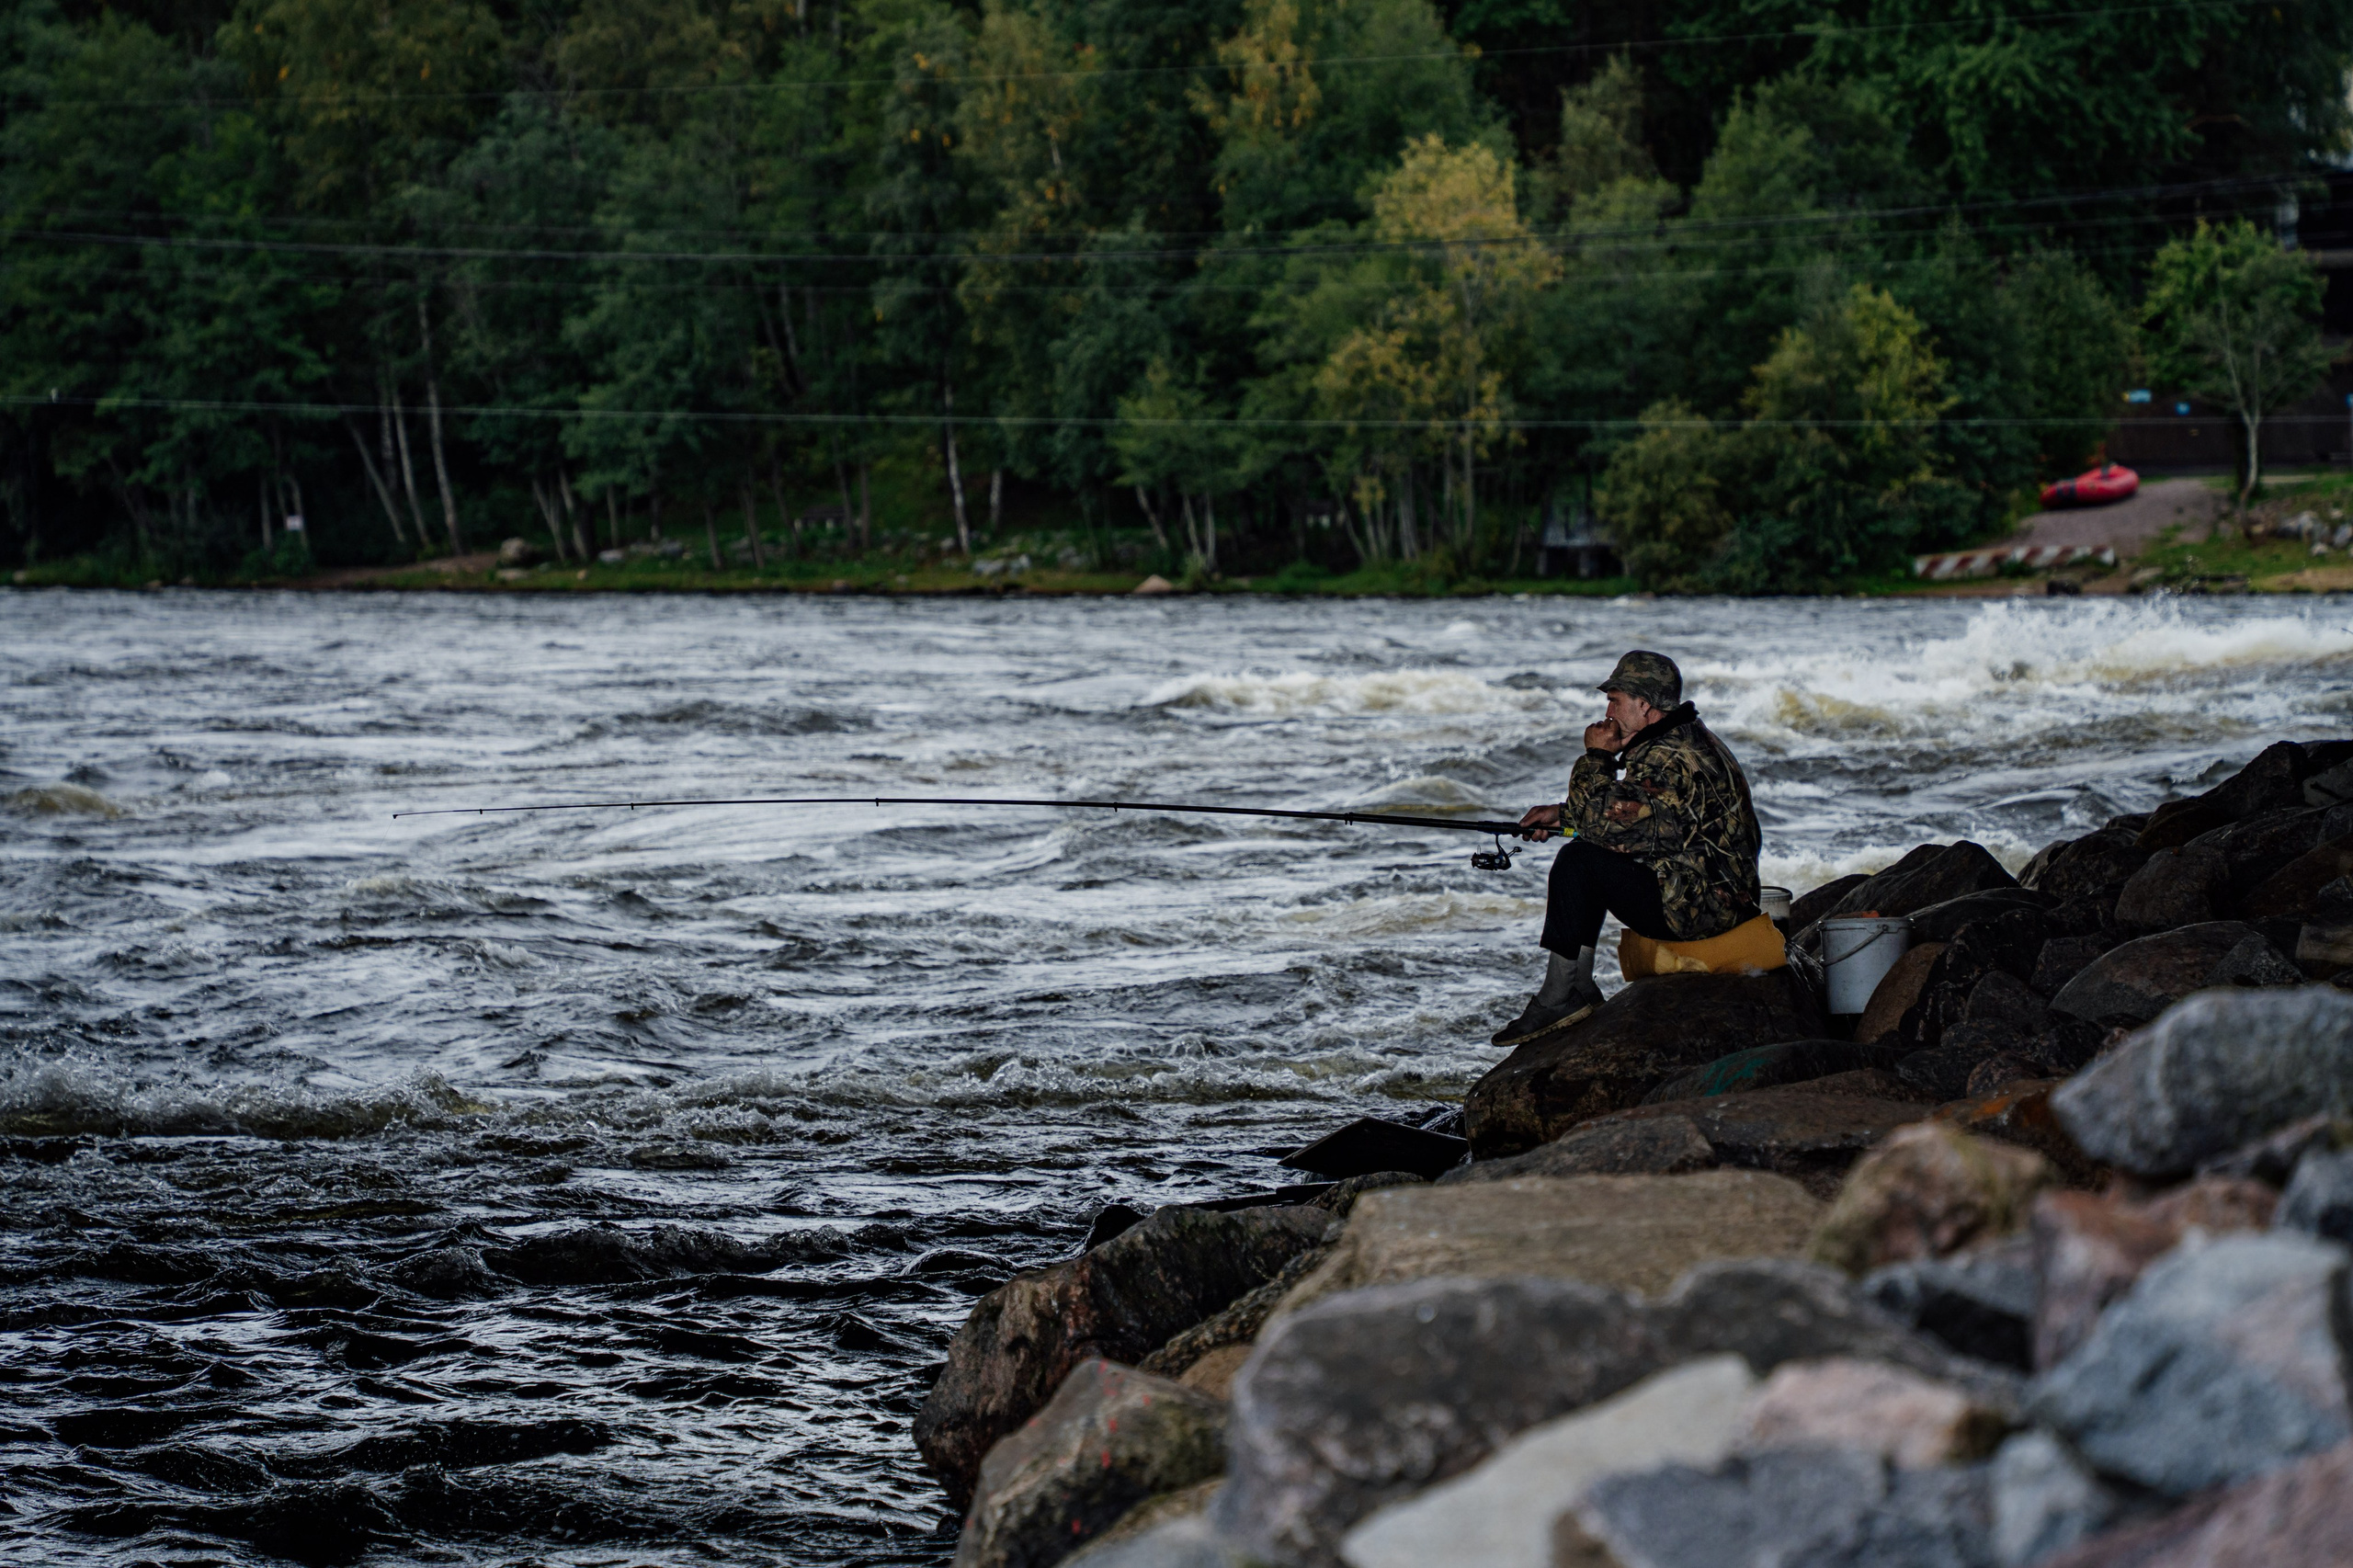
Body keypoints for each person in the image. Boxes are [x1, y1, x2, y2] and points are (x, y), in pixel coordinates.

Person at [1494, 650, 1763, 1047]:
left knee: (1579, 861)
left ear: (1644, 704)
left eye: (1615, 699)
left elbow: (1610, 825)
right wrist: (1563, 816)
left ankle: (1562, 995)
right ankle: (1577, 989)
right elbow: (1643, 819)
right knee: (1586, 852)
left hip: (1705, 907)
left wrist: (1597, 756)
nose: (1607, 709)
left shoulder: (1668, 757)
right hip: (1714, 893)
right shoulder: (1683, 738)